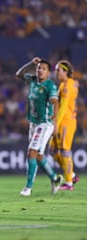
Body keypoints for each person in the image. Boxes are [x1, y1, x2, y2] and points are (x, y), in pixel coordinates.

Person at [16, 57, 63, 196]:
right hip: (34, 123)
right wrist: (31, 63)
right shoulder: (33, 80)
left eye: (43, 69)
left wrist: (54, 119)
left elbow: (55, 101)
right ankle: (55, 179)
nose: (40, 70)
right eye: (38, 68)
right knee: (38, 156)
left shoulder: (50, 86)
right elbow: (18, 74)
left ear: (48, 72)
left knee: (31, 152)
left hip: (45, 123)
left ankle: (28, 188)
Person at [49, 60, 79, 190]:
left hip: (66, 122)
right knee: (52, 150)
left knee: (65, 151)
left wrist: (56, 123)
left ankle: (69, 183)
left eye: (58, 70)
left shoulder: (68, 86)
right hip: (62, 120)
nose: (56, 72)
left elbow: (64, 107)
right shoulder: (64, 84)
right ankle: (71, 174)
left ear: (65, 71)